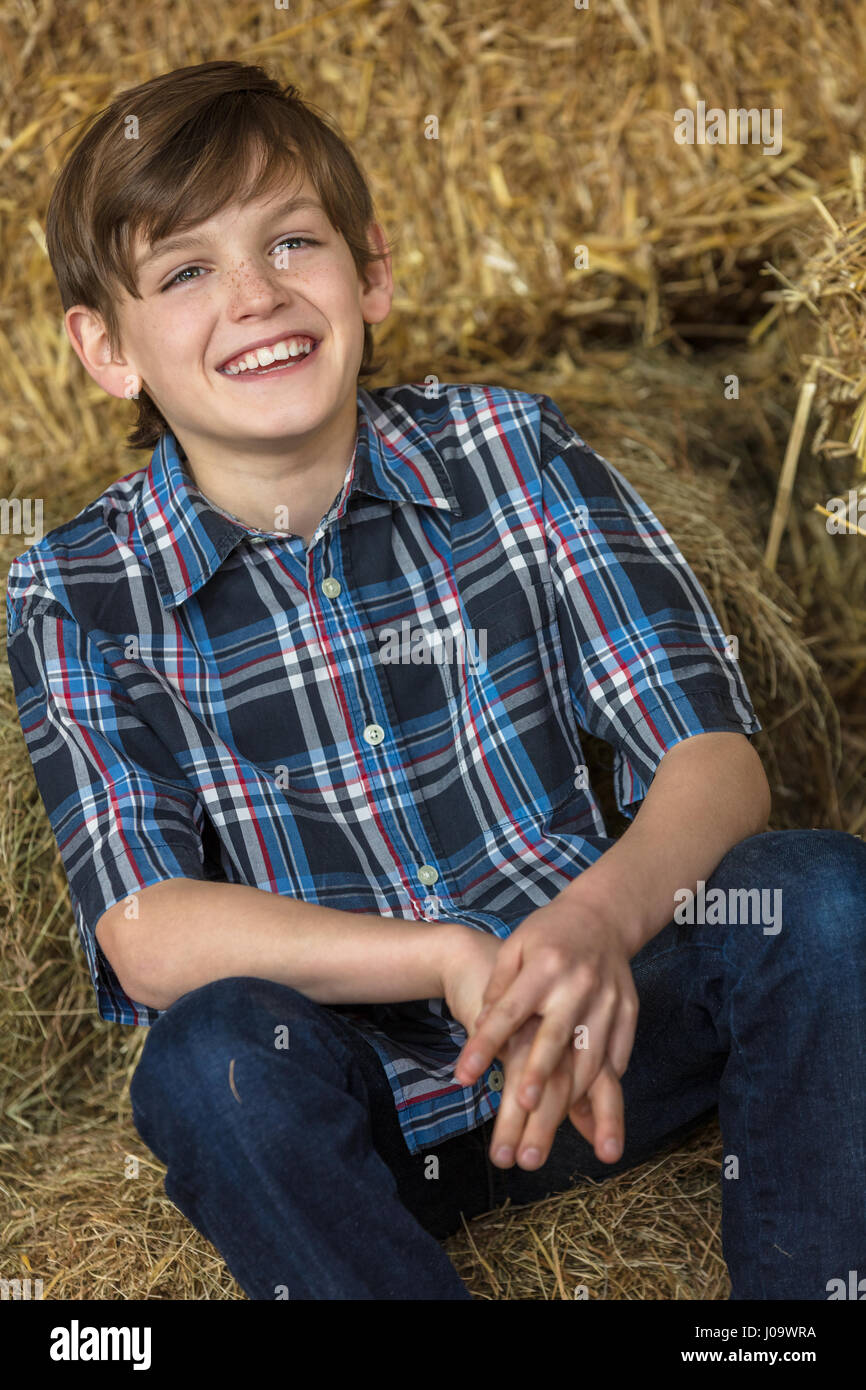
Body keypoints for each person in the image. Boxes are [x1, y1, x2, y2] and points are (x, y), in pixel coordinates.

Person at [7, 59, 865, 1301]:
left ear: (372, 273)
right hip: (362, 1115)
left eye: (291, 243)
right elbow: (147, 930)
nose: (254, 297)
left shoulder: (509, 450)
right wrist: (445, 955)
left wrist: (589, 922)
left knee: (821, 894)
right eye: (186, 271)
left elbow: (713, 761)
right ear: (105, 349)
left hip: (608, 1029)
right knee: (206, 1061)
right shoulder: (75, 588)